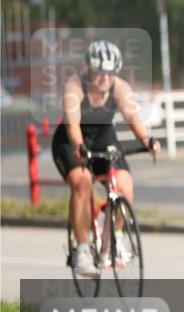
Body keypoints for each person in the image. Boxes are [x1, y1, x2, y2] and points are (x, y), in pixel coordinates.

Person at [51, 40, 160, 278]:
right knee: (82, 182)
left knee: (124, 184)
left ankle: (113, 241)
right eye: (100, 72)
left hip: (102, 136)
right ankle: (81, 251)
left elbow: (133, 118)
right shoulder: (75, 87)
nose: (105, 78)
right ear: (89, 70)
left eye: (111, 73)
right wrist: (79, 147)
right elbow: (72, 124)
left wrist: (146, 141)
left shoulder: (120, 88)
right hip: (71, 140)